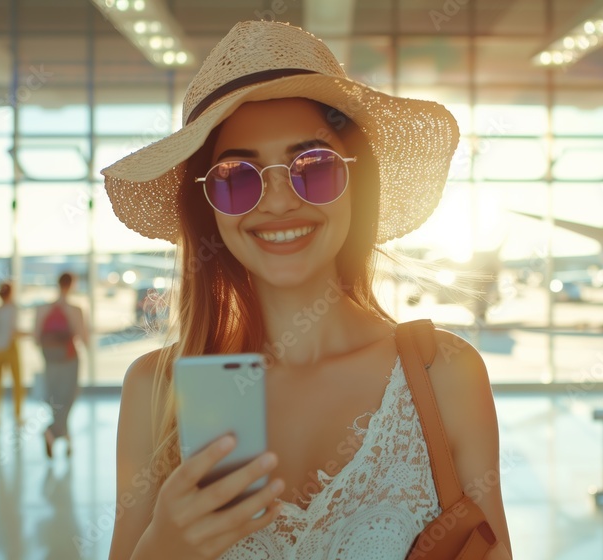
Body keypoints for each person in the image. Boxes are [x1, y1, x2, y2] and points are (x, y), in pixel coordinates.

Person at [103, 20, 512, 560]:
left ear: (355, 183)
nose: (276, 202)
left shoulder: (446, 376)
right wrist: (163, 548)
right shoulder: (154, 392)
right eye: (238, 176)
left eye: (312, 167)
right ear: (208, 207)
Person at [34, 272, 89, 458]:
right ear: (72, 285)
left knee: (56, 398)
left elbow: (35, 338)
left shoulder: (42, 308)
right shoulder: (75, 309)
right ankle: (52, 432)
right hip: (69, 358)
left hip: (50, 358)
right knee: (68, 398)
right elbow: (83, 336)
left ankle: (65, 437)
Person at [0, 281, 23, 425]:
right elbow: (14, 330)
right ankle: (17, 414)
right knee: (17, 382)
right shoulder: (12, 309)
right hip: (10, 346)